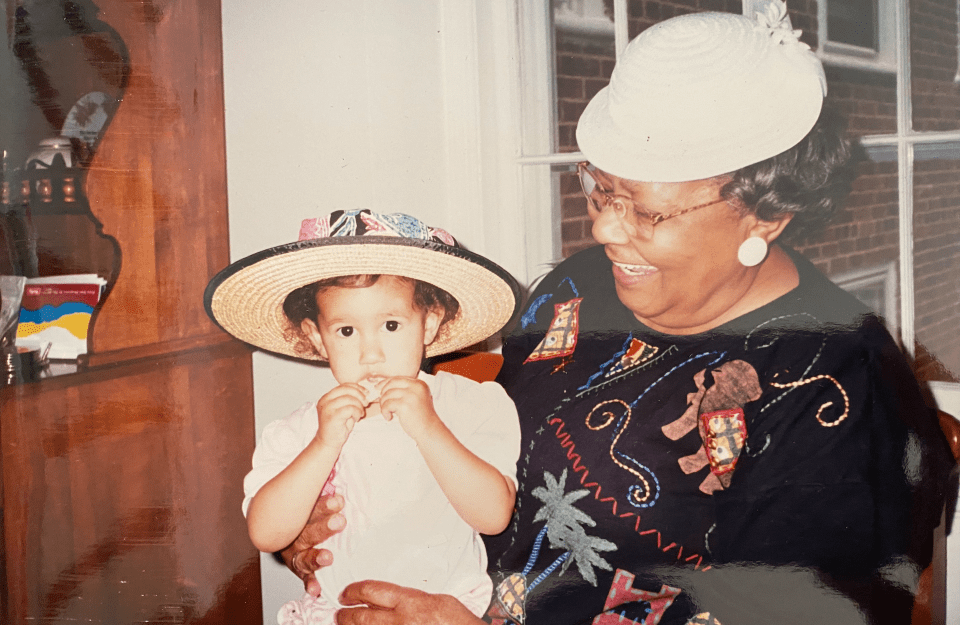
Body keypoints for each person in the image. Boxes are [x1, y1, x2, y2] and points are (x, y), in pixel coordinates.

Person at [280, 3, 955, 624]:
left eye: (647, 209)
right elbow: (474, 451)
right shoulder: (574, 292)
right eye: (600, 189)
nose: (604, 228)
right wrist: (327, 517)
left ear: (767, 212)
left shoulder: (845, 393)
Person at [203, 209, 523, 624]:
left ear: (428, 325)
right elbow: (266, 534)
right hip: (335, 614)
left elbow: (493, 515)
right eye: (346, 331)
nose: (370, 354)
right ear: (318, 338)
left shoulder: (471, 404)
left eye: (391, 325)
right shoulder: (299, 429)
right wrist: (323, 444)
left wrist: (427, 428)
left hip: (446, 611)